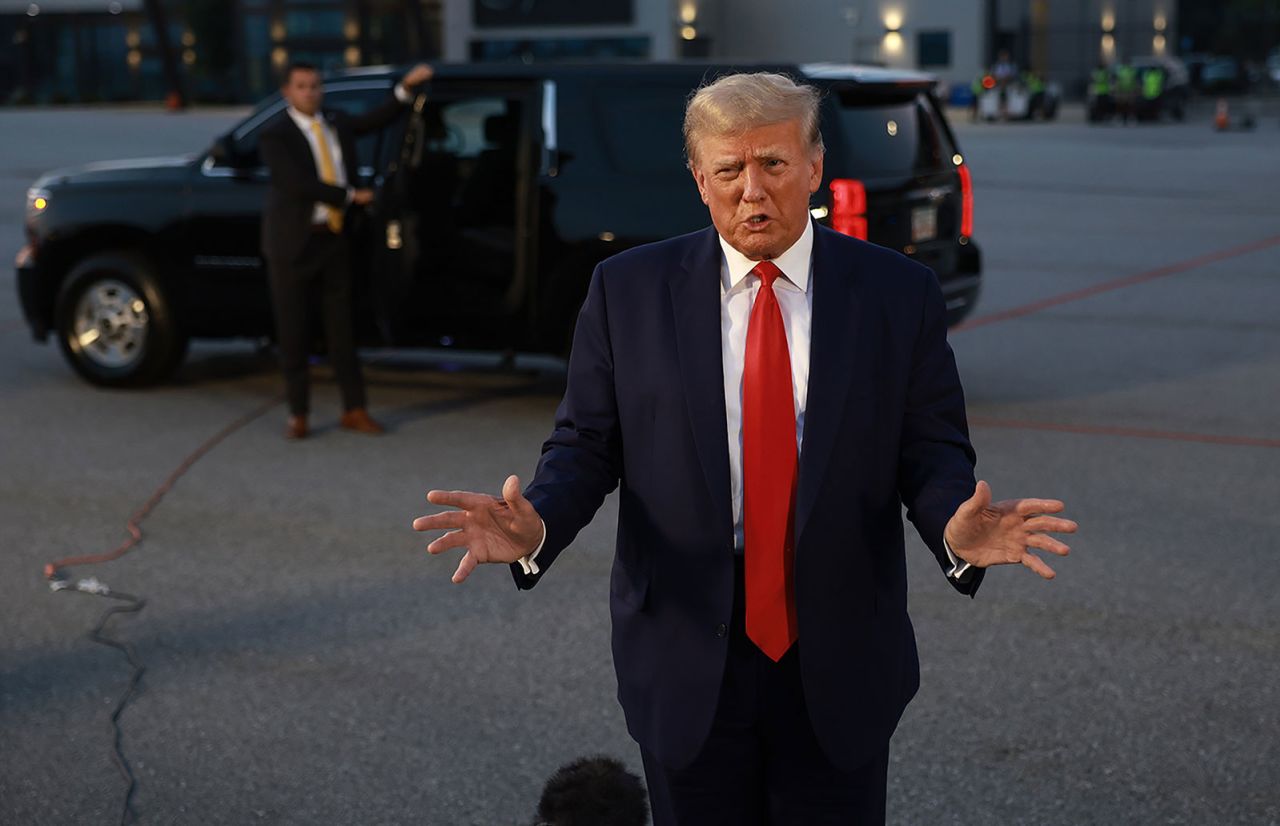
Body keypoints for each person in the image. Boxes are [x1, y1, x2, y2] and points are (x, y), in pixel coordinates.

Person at [412, 72, 1077, 824]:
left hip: (836, 649)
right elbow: (585, 446)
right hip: (687, 650)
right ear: (700, 180)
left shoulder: (897, 294)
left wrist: (953, 527)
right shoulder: (627, 291)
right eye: (729, 170)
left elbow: (929, 451)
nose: (752, 191)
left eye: (774, 164)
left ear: (816, 166)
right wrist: (538, 524)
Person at [258, 60, 433, 440]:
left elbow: (374, 120)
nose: (310, 92)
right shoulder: (275, 135)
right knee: (294, 331)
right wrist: (352, 196)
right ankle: (298, 413)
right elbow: (297, 184)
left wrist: (405, 87)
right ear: (287, 92)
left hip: (334, 240)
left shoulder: (335, 120)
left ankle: (354, 409)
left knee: (342, 330)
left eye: (315, 85)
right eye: (302, 86)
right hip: (292, 245)